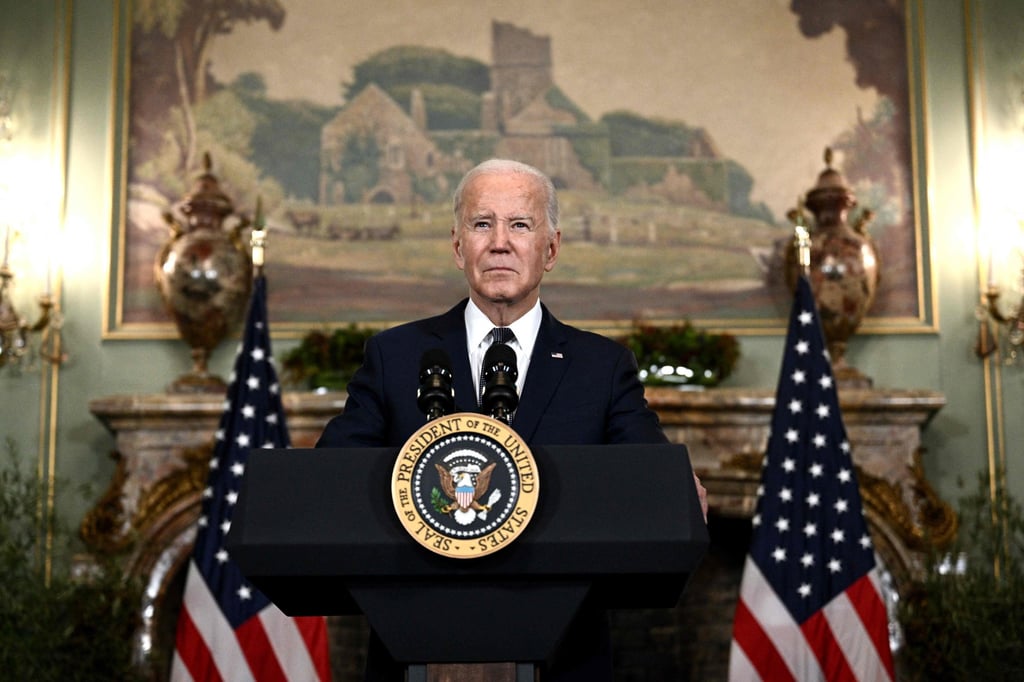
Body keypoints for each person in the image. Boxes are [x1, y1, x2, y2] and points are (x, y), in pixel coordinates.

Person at [317, 158, 708, 681]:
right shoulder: (396, 355)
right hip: (418, 651)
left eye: (520, 224)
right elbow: (330, 483)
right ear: (459, 246)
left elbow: (651, 477)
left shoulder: (601, 366)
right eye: (482, 224)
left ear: (551, 249)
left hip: (563, 661)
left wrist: (676, 489)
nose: (500, 243)